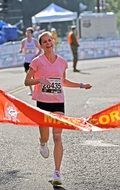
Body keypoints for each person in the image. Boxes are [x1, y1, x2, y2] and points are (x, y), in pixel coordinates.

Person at [24, 31, 92, 185]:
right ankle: (42, 143)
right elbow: (27, 82)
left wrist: (81, 85)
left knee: (57, 136)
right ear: (41, 46)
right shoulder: (37, 61)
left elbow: (64, 82)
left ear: (53, 42)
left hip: (58, 102)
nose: (48, 43)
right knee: (45, 136)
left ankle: (57, 172)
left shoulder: (62, 62)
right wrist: (39, 80)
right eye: (45, 42)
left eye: (50, 40)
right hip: (42, 103)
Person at [20, 27, 41, 95]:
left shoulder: (34, 41)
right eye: (26, 32)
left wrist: (35, 56)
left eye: (29, 32)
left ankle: (37, 90)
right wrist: (21, 51)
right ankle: (31, 91)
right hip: (27, 61)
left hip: (33, 62)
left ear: (32, 34)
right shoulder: (23, 41)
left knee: (35, 77)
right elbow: (21, 49)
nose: (27, 34)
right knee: (28, 77)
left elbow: (40, 50)